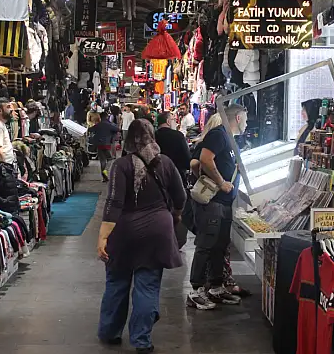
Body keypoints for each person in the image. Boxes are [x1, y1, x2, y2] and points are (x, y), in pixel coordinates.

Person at [97, 119, 186, 353]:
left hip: (124, 233)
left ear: (128, 139)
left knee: (117, 282)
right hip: (157, 231)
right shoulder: (165, 163)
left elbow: (114, 203)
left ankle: (109, 332)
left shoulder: (121, 166)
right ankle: (141, 340)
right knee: (147, 285)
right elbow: (181, 197)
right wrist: (175, 216)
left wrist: (103, 237)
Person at [186, 104, 248, 310]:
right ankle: (195, 291)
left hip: (225, 202)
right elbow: (203, 160)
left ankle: (216, 286)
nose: (247, 123)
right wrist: (221, 182)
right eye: (245, 119)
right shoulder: (218, 135)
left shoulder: (229, 139)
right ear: (238, 118)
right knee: (206, 244)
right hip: (212, 202)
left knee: (220, 245)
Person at [155, 112, 192, 180]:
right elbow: (186, 159)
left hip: (157, 176)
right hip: (177, 176)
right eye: (174, 120)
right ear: (168, 121)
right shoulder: (178, 136)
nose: (175, 123)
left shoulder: (153, 136)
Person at [88, 112, 120, 182]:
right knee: (110, 159)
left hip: (99, 145)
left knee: (102, 161)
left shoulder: (98, 125)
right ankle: (106, 170)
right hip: (107, 144)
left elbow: (90, 130)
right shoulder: (109, 125)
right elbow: (117, 129)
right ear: (106, 117)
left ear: (100, 117)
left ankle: (104, 177)